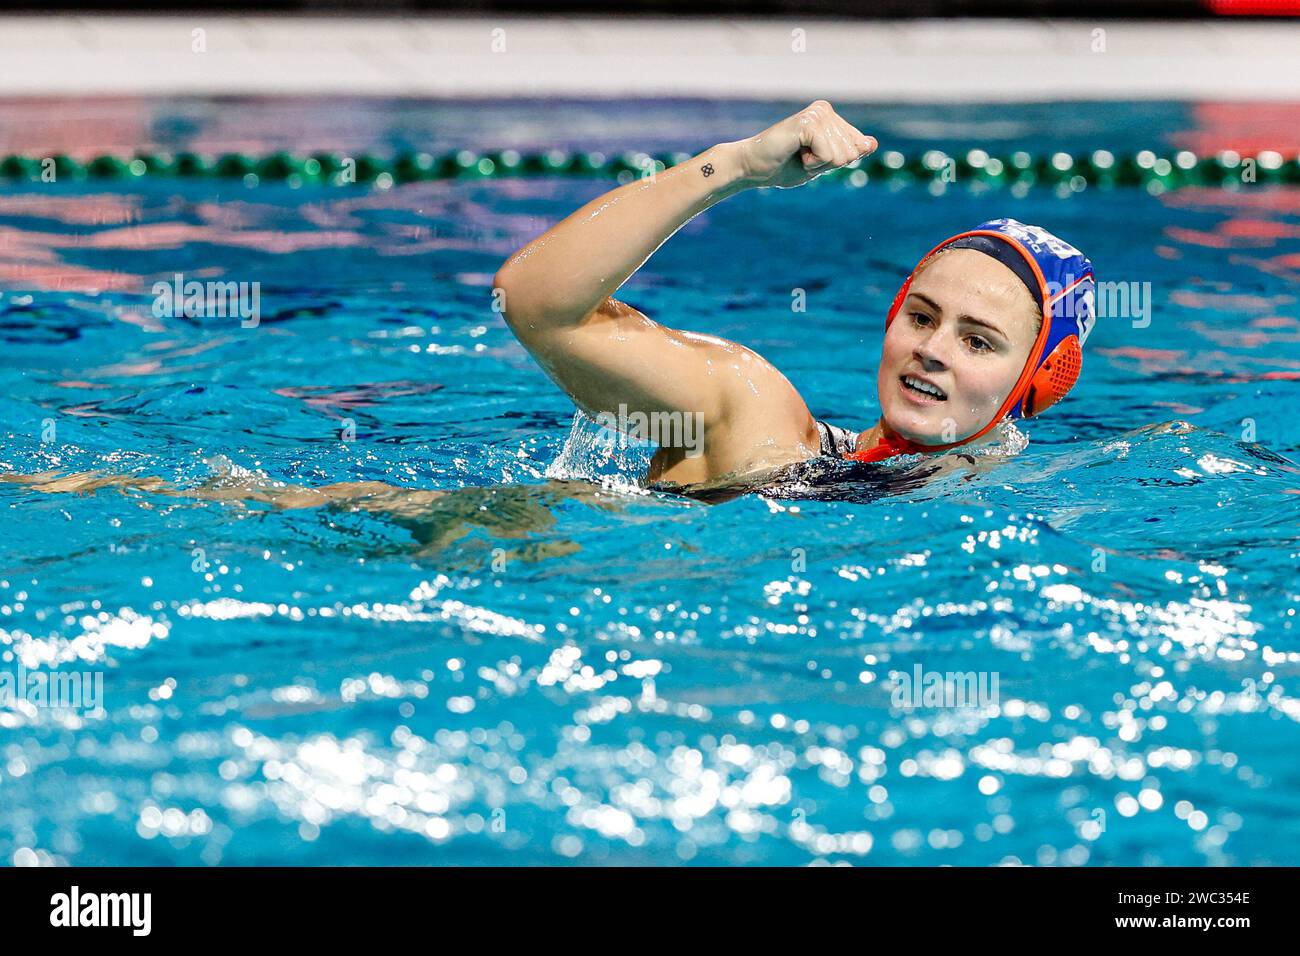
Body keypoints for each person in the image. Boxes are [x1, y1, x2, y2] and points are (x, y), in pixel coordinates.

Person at [494, 100, 1096, 494]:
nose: (932, 350)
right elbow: (534, 303)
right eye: (921, 317)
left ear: (1041, 380)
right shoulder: (754, 414)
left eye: (976, 340)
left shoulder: (1039, 506)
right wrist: (733, 167)